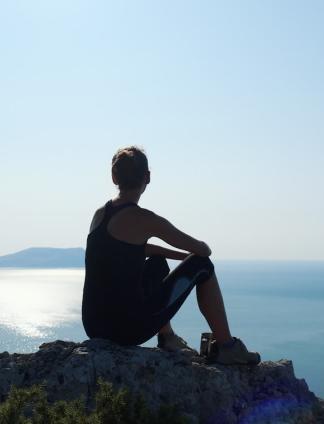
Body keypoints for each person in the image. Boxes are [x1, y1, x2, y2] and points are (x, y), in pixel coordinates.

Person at [81, 146, 260, 365]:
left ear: (113, 177)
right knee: (204, 265)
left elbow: (132, 251)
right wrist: (192, 257)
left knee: (157, 263)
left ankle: (168, 337)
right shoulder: (146, 219)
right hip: (126, 331)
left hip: (95, 327)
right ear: (147, 177)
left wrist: (180, 256)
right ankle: (228, 346)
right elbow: (203, 251)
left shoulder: (101, 214)